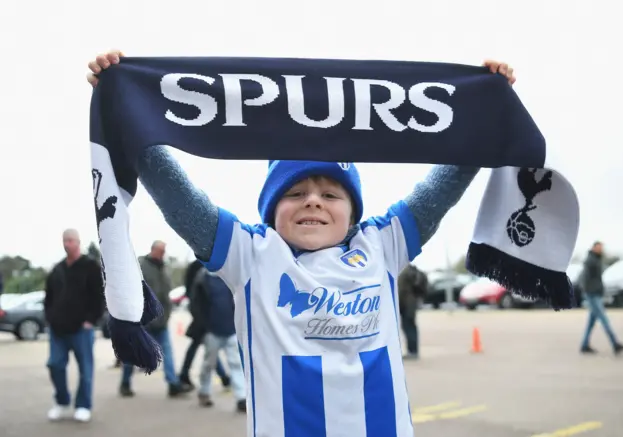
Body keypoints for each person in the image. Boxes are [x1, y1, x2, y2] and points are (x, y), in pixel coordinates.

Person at [88, 51, 515, 436]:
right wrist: (126, 110)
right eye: (294, 193)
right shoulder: (250, 254)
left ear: (354, 212)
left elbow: (440, 189)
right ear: (271, 211)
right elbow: (177, 196)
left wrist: (484, 108)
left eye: (331, 195)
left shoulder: (383, 244)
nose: (313, 200)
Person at [44, 229, 105, 422]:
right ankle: (62, 401)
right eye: (65, 240)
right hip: (58, 328)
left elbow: (100, 296)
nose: (67, 244)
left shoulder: (90, 266)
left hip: (81, 328)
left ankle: (83, 405)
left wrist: (91, 320)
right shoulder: (57, 269)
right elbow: (48, 297)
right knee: (55, 364)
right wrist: (49, 317)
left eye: (70, 240)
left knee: (85, 368)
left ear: (78, 242)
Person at [119, 241, 191, 397]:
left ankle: (173, 384)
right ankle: (125, 383)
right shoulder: (140, 266)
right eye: (161, 251)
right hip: (142, 322)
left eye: (164, 251)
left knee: (168, 352)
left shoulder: (164, 268)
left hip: (161, 321)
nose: (163, 254)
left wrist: (166, 315)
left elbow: (166, 295)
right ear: (154, 250)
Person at [190, 268, 246, 411]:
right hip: (212, 331)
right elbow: (195, 305)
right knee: (209, 363)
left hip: (231, 329)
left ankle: (241, 397)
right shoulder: (202, 278)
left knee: (236, 363)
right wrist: (204, 326)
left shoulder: (229, 275)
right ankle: (204, 391)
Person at [179, 259, 231, 390]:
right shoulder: (198, 268)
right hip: (202, 316)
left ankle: (222, 377)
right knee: (207, 349)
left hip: (210, 317)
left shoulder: (210, 266)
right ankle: (185, 374)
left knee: (209, 349)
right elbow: (191, 293)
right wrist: (199, 315)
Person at [579, 241, 623, 355]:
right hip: (592, 294)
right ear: (594, 248)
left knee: (591, 322)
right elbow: (585, 278)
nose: (601, 249)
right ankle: (615, 344)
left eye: (602, 247)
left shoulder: (596, 259)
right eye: (599, 247)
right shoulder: (590, 260)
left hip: (596, 293)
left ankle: (584, 345)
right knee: (604, 319)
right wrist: (589, 291)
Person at [398, 264, 427, 359]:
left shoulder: (405, 271)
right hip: (410, 303)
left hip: (407, 305)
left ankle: (413, 351)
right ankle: (412, 350)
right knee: (409, 327)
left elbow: (401, 290)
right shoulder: (408, 270)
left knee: (409, 327)